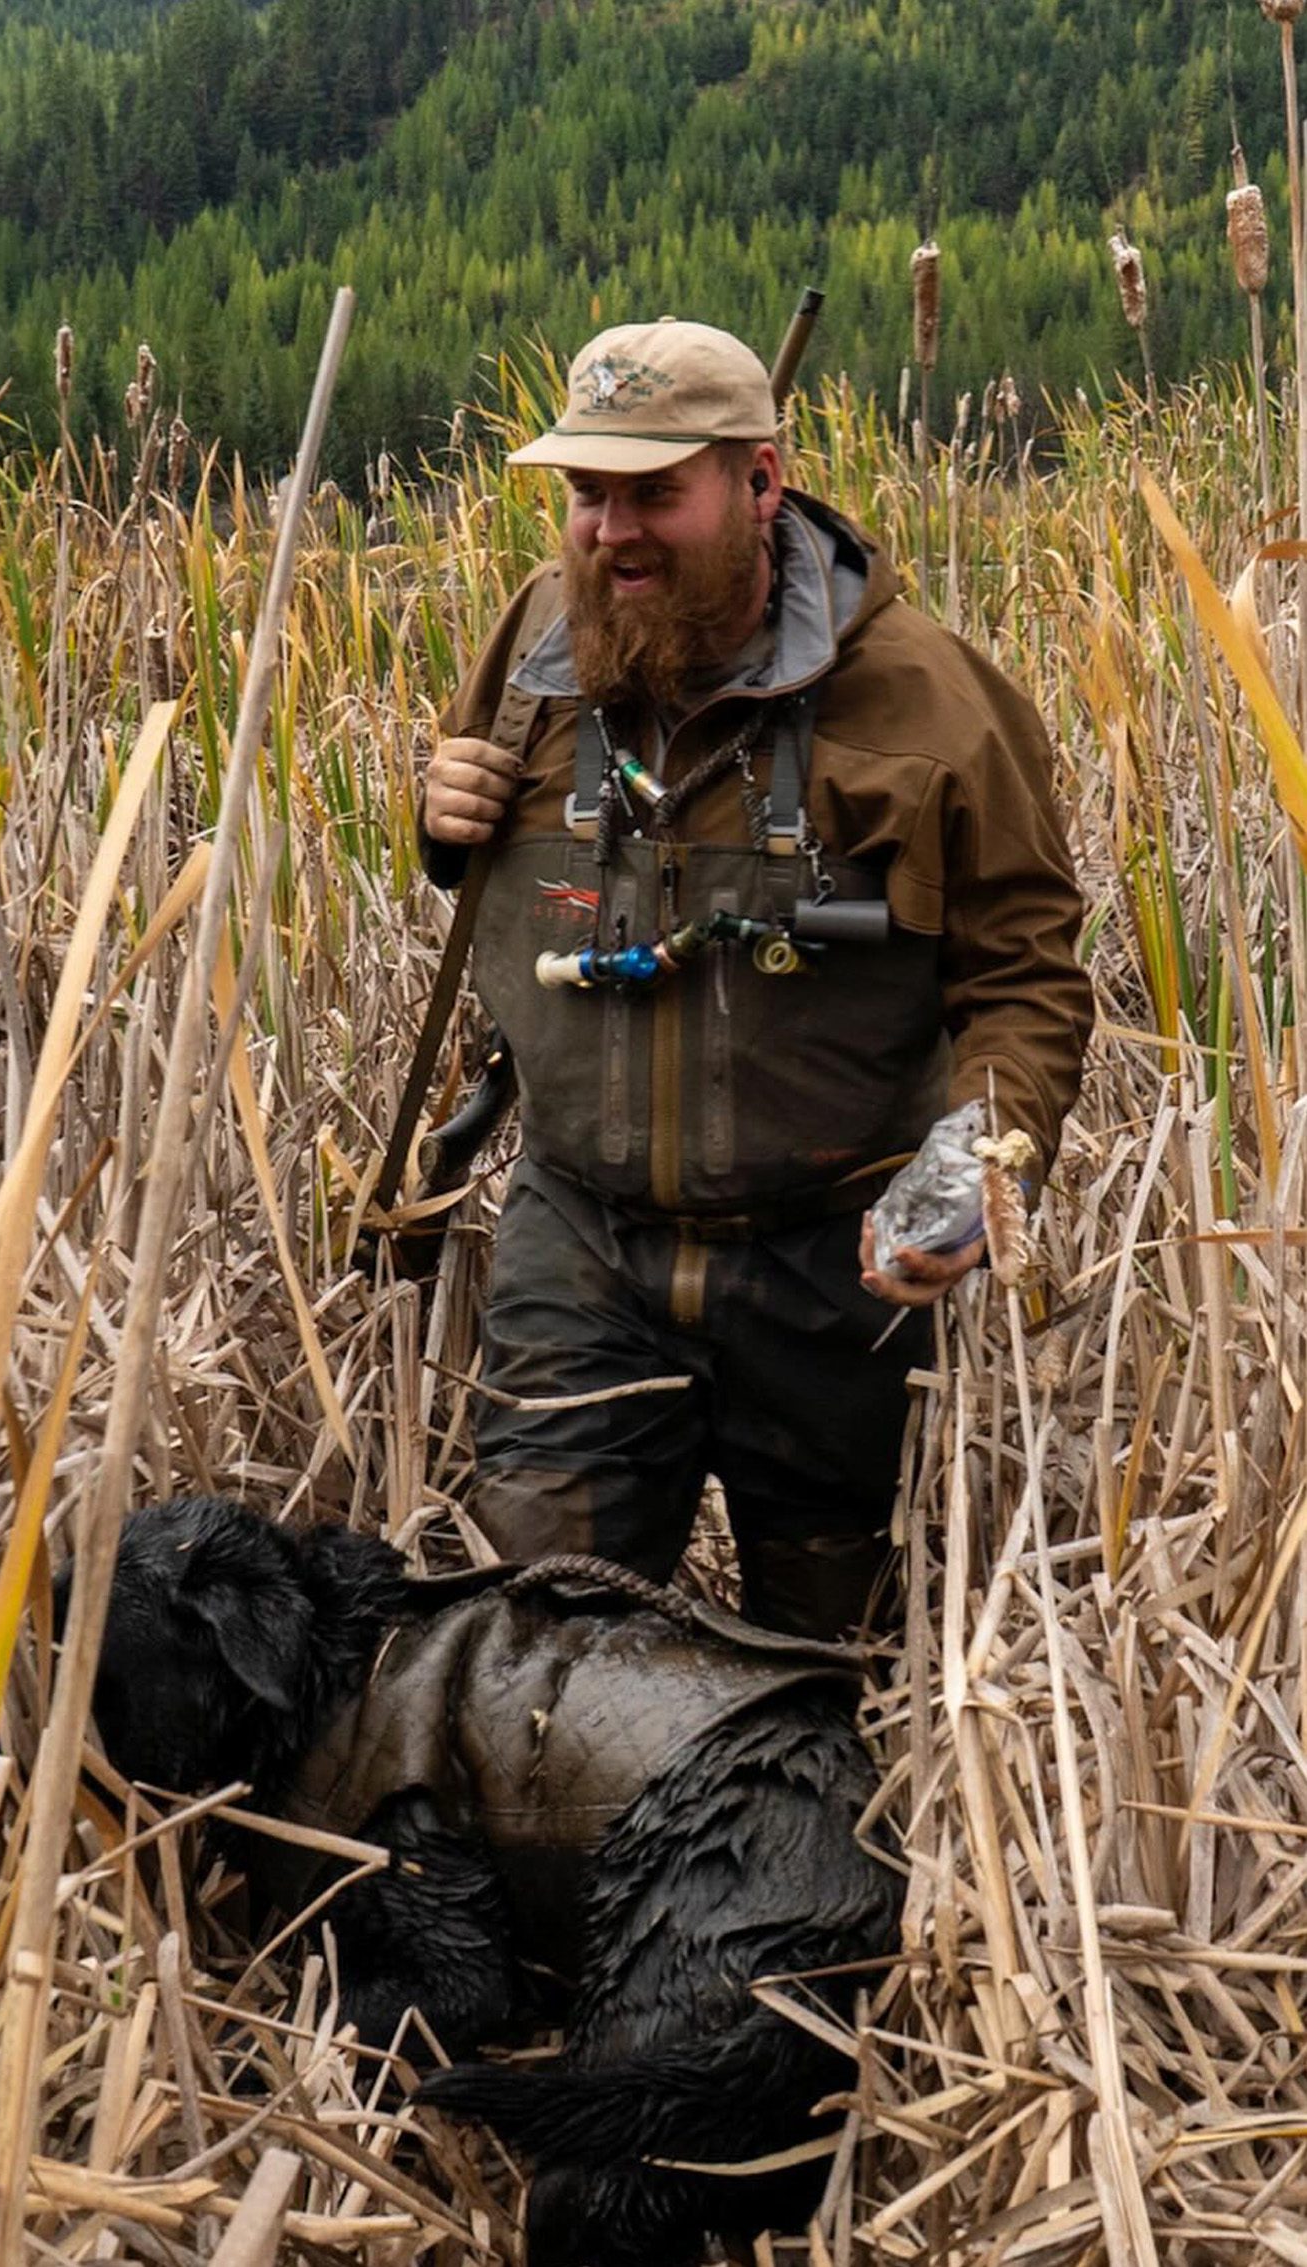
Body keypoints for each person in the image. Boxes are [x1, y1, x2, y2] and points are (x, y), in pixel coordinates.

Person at [420, 318, 1092, 1640]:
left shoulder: (928, 702)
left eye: (654, 493)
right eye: (588, 492)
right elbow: (499, 863)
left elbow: (1025, 973)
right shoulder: (540, 643)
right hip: (583, 1248)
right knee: (534, 1653)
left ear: (762, 482)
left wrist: (978, 1163)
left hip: (832, 1276)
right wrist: (443, 826)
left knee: (831, 1673)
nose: (612, 532)